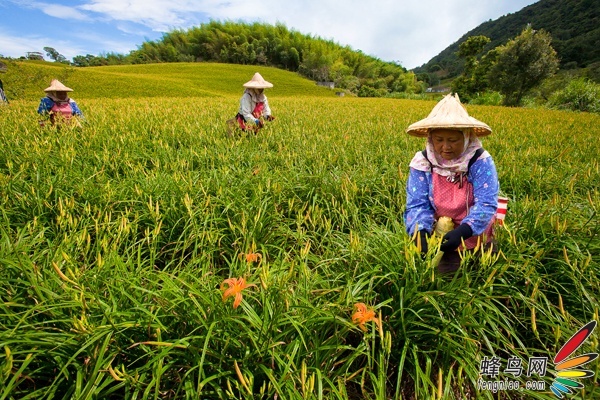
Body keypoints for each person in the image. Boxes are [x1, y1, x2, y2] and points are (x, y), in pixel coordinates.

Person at [403, 93, 499, 273]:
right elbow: (417, 203)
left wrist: (464, 230)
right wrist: (420, 232)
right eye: (439, 140)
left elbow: (487, 203)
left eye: (453, 140)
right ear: (430, 138)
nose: (445, 147)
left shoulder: (479, 161)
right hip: (440, 234)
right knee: (443, 280)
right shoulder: (422, 162)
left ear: (466, 137)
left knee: (482, 273)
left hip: (476, 232)